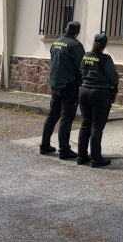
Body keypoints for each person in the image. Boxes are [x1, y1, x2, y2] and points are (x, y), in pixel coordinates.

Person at [40, 21, 85, 159]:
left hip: (55, 83)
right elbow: (81, 67)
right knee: (67, 116)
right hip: (68, 86)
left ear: (66, 29)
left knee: (53, 114)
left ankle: (44, 145)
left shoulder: (56, 43)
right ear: (77, 32)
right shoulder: (75, 45)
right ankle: (64, 149)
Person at [77, 33, 119, 167]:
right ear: (105, 45)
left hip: (84, 92)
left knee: (85, 125)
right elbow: (113, 78)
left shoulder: (86, 56)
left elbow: (81, 73)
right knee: (96, 127)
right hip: (100, 94)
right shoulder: (106, 59)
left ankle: (81, 156)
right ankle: (96, 158)